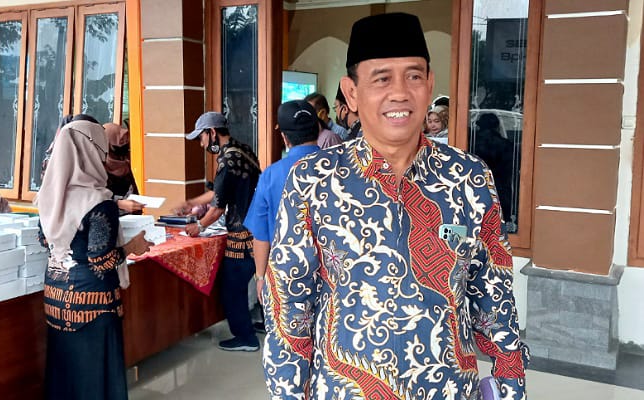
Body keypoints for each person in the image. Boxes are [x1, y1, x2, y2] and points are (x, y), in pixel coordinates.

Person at [262, 12, 529, 400]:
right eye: (382, 78)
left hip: (449, 390)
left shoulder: (470, 178)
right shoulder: (313, 180)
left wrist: (511, 384)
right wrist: (286, 393)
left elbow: (494, 294)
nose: (400, 92)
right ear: (351, 92)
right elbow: (289, 302)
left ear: (430, 83)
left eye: (414, 76)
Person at [35, 117, 153, 400]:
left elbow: (45, 241)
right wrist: (132, 247)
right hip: (93, 303)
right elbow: (100, 261)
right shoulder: (99, 203)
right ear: (93, 151)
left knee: (66, 370)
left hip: (56, 296)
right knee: (96, 372)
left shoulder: (50, 196)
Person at [173, 111, 262, 352]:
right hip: (259, 228)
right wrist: (191, 203)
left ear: (212, 133)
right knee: (251, 280)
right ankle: (258, 325)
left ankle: (246, 338)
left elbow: (217, 209)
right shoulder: (243, 150)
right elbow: (219, 192)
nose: (201, 144)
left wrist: (199, 226)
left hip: (243, 235)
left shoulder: (227, 161)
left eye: (201, 137)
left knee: (231, 286)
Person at [243, 100, 320, 304]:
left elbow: (261, 235)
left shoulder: (271, 175)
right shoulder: (340, 169)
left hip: (286, 282)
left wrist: (260, 277)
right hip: (334, 279)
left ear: (284, 137)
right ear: (318, 130)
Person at [103, 122, 144, 215]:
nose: (125, 143)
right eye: (121, 141)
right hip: (115, 217)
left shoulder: (131, 161)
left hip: (136, 215)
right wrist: (119, 204)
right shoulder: (100, 168)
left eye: (127, 138)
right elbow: (96, 198)